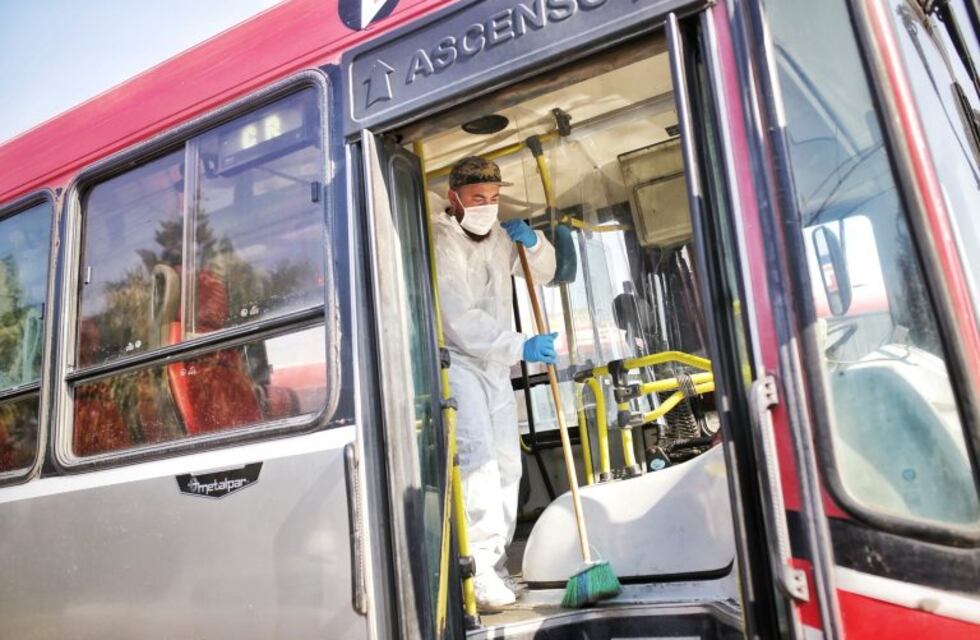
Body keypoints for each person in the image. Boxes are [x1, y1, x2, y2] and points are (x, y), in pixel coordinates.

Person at [434, 156, 557, 611]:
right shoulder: (441, 242)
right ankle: (478, 571)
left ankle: (497, 562)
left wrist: (536, 242)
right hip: (462, 365)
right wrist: (520, 345)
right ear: (454, 199)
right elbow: (459, 320)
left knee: (508, 464)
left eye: (493, 198)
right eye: (477, 199)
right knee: (479, 463)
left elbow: (543, 272)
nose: (487, 206)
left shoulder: (503, 239)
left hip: (496, 368)